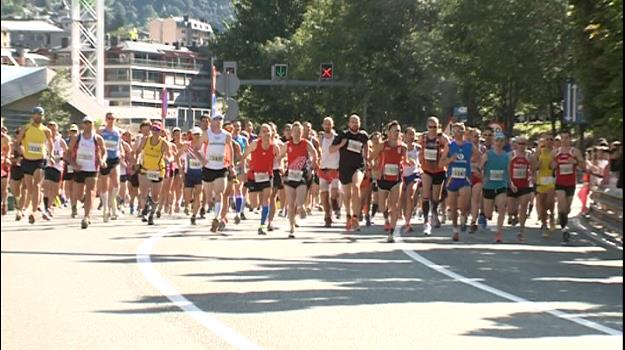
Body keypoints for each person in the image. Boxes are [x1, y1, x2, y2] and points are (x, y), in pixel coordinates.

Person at [15, 106, 55, 224]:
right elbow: (17, 143)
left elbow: (51, 144)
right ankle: (32, 208)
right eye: (36, 114)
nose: (38, 116)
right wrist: (21, 153)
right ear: (32, 116)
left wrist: (51, 154)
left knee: (37, 185)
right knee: (29, 186)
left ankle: (33, 212)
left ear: (43, 116)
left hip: (39, 160)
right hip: (27, 160)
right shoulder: (26, 128)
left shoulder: (46, 130)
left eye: (40, 114)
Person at [440, 122, 479, 241]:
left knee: (464, 203)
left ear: (464, 132)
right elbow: (441, 162)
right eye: (455, 131)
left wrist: (470, 161)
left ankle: (464, 215)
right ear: (452, 132)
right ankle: (455, 229)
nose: (458, 133)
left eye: (460, 130)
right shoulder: (450, 145)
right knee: (452, 205)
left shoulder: (469, 145)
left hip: (465, 178)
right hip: (452, 179)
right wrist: (451, 159)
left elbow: (478, 155)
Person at [331, 114, 369, 232]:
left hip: (358, 166)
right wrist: (342, 144)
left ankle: (356, 217)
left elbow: (366, 147)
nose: (354, 124)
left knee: (356, 186)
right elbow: (331, 149)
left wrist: (367, 160)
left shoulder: (363, 136)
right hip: (345, 168)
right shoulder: (343, 135)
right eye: (352, 122)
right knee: (347, 195)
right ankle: (348, 215)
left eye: (356, 122)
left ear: (360, 124)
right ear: (349, 123)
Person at [68, 116, 107, 229]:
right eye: (86, 123)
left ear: (93, 125)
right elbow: (68, 153)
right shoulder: (77, 138)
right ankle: (87, 204)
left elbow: (104, 151)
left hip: (92, 169)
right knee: (79, 195)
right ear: (82, 125)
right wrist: (74, 164)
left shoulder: (97, 138)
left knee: (90, 191)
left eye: (90, 123)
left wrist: (103, 160)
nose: (88, 125)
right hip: (79, 168)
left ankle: (86, 217)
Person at [242, 124, 280, 235]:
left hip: (267, 176)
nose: (266, 133)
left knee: (266, 200)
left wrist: (281, 166)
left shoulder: (274, 146)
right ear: (259, 134)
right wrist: (244, 168)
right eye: (263, 131)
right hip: (254, 176)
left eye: (268, 131)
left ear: (271, 133)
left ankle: (262, 225)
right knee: (254, 204)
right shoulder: (254, 144)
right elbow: (245, 156)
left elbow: (280, 158)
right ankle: (249, 205)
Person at [372, 121, 406, 242]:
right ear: (388, 132)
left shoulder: (403, 147)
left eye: (398, 130)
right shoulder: (382, 145)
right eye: (394, 130)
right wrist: (373, 166)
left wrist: (408, 163)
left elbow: (405, 161)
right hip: (383, 178)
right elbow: (372, 157)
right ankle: (386, 219)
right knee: (382, 206)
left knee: (395, 205)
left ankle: (391, 232)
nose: (397, 133)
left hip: (396, 179)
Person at [283, 122, 317, 237]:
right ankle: (291, 228)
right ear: (291, 133)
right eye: (295, 131)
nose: (297, 134)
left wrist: (312, 165)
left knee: (300, 202)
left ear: (302, 133)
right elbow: (279, 157)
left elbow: (314, 153)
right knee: (291, 203)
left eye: (299, 132)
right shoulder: (287, 145)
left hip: (302, 175)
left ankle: (301, 207)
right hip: (290, 175)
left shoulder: (305, 143)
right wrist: (281, 167)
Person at [201, 113, 234, 232]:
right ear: (212, 121)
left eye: (221, 119)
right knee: (209, 197)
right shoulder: (206, 134)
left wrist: (231, 165)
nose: (219, 121)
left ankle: (216, 218)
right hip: (208, 168)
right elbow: (196, 148)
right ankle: (213, 207)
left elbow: (230, 150)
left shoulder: (227, 135)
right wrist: (202, 160)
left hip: (221, 168)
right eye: (216, 119)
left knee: (220, 193)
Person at [551, 129, 585, 243]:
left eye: (566, 138)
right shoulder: (556, 152)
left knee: (567, 209)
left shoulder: (575, 151)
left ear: (570, 139)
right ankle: (564, 230)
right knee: (561, 203)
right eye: (562, 138)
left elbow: (583, 166)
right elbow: (550, 166)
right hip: (560, 182)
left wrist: (575, 162)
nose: (564, 140)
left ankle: (562, 217)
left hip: (571, 183)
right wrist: (553, 165)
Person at [419, 116, 450, 235]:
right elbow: (420, 149)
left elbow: (448, 148)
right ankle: (426, 221)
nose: (433, 129)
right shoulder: (423, 137)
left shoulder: (442, 138)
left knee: (436, 197)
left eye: (435, 127)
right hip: (426, 169)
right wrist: (420, 160)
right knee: (426, 195)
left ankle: (434, 212)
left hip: (439, 170)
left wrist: (443, 154)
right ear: (427, 127)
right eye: (430, 127)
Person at [136, 121, 169, 225]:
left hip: (157, 171)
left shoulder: (164, 143)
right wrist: (136, 161)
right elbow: (138, 151)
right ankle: (145, 208)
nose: (155, 132)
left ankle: (151, 214)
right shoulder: (145, 140)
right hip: (145, 169)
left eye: (157, 130)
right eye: (153, 129)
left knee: (155, 196)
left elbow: (170, 155)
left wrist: (169, 159)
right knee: (143, 193)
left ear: (161, 131)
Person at [481, 132, 510, 243]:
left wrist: (510, 183)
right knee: (488, 214)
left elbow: (508, 171)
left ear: (504, 143)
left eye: (501, 141)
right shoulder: (487, 154)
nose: (499, 143)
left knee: (502, 208)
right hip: (489, 186)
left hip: (501, 185)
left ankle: (499, 232)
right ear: (493, 142)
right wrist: (483, 177)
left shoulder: (506, 156)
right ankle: (486, 215)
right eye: (497, 140)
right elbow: (480, 168)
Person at [507, 136, 534, 242]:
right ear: (515, 145)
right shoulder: (511, 155)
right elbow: (507, 171)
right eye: (519, 143)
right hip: (513, 185)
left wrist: (532, 178)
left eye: (523, 144)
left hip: (525, 185)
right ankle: (514, 215)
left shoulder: (529, 156)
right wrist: (510, 183)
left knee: (523, 207)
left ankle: (521, 231)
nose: (521, 146)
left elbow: (533, 169)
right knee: (511, 209)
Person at [98, 112, 124, 221]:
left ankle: (111, 203)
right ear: (106, 119)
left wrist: (122, 152)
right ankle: (106, 209)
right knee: (104, 185)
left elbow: (119, 144)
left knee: (117, 184)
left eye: (113, 118)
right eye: (109, 118)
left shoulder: (118, 131)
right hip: (105, 159)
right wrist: (99, 158)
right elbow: (97, 145)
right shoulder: (101, 131)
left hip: (115, 158)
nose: (111, 120)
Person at [177, 127, 205, 225]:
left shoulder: (204, 146)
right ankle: (187, 206)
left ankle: (194, 216)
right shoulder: (187, 146)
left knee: (198, 194)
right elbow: (177, 156)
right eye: (195, 134)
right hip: (189, 173)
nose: (197, 136)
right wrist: (180, 169)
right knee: (188, 195)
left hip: (200, 174)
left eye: (199, 134)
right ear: (191, 135)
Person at [317, 117, 341, 227]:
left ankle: (334, 201)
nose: (327, 126)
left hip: (334, 168)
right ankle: (327, 216)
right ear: (323, 125)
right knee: (324, 193)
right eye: (325, 124)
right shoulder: (320, 138)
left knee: (334, 192)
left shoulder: (337, 137)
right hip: (323, 168)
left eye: (329, 124)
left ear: (333, 125)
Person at [532, 133, 557, 237]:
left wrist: (554, 166)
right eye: (547, 139)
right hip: (541, 180)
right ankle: (544, 224)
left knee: (550, 201)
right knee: (542, 205)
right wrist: (538, 165)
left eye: (551, 139)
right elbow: (533, 166)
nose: (549, 141)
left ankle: (551, 215)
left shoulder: (555, 152)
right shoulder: (539, 152)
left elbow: (557, 166)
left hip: (551, 180)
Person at [41, 121, 67, 220]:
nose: (51, 129)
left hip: (58, 167)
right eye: (49, 127)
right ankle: (46, 208)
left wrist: (60, 158)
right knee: (47, 187)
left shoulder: (60, 141)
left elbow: (66, 152)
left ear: (56, 129)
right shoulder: (44, 140)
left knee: (55, 190)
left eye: (53, 127)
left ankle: (50, 206)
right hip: (47, 165)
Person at [400, 127, 421, 232]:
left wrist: (419, 166)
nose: (411, 136)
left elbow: (422, 161)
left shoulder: (418, 148)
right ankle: (405, 217)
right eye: (409, 134)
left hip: (414, 174)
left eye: (413, 134)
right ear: (404, 135)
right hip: (401, 175)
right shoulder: (400, 147)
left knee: (411, 196)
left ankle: (408, 222)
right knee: (402, 199)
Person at [1, 123, 11, 215]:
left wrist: (7, 158)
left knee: (3, 187)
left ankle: (4, 202)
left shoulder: (5, 138)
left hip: (3, 165)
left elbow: (8, 150)